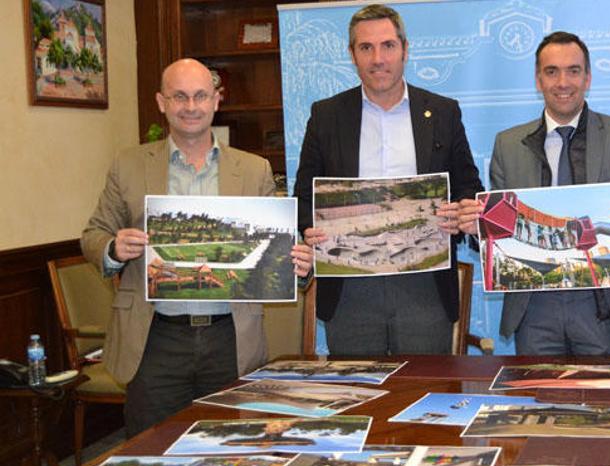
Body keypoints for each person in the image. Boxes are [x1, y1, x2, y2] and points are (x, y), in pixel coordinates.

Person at [81, 58, 314, 437]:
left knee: (235, 446)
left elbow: (279, 253)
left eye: (201, 96)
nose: (191, 107)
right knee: (152, 450)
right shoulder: (128, 164)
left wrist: (299, 264)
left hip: (231, 338)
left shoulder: (254, 169)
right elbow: (93, 234)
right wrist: (112, 247)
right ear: (161, 102)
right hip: (155, 338)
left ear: (217, 100)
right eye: (180, 97)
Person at [294, 4, 483, 355]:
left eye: (388, 46)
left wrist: (463, 212)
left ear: (405, 49)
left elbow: (469, 186)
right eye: (366, 48)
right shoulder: (326, 116)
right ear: (352, 54)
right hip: (350, 287)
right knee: (359, 396)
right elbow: (305, 196)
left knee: (424, 395)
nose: (378, 58)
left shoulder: (442, 112)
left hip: (424, 283)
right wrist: (309, 228)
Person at [459, 32, 610, 356]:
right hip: (534, 307)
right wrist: (476, 228)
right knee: (538, 404)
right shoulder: (507, 145)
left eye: (573, 71)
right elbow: (499, 230)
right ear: (538, 80)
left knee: (606, 404)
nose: (563, 82)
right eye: (551, 72)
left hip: (601, 307)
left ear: (588, 77)